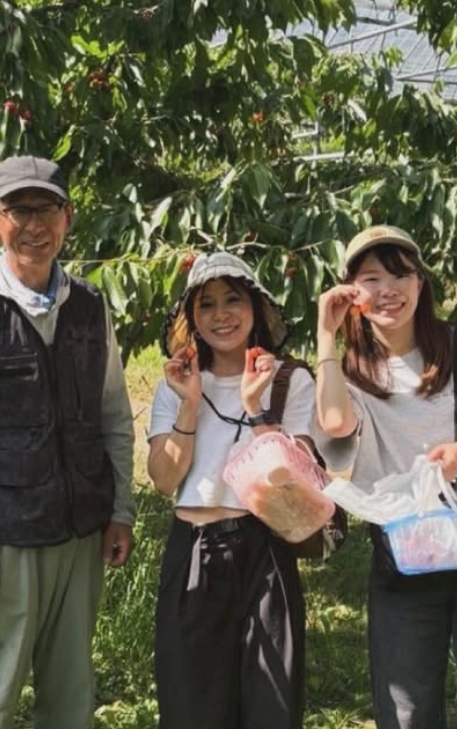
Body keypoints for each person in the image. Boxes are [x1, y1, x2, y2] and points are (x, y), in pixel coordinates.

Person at [0, 155, 136, 729]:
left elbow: (113, 414)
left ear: (68, 218)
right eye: (19, 210)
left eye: (46, 208)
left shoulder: (92, 307)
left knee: (71, 700)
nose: (34, 224)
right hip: (4, 538)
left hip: (80, 532)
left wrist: (120, 510)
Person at [313, 226, 457, 729]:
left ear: (421, 283)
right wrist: (326, 336)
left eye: (400, 274)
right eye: (371, 278)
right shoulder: (349, 372)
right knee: (406, 707)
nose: (387, 289)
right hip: (406, 550)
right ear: (351, 293)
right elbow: (333, 425)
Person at [147, 251, 317, 729]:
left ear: (256, 309)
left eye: (233, 300)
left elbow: (297, 489)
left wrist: (256, 407)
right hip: (193, 550)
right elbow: (164, 479)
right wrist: (189, 405)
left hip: (263, 548)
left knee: (271, 705)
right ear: (192, 318)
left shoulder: (288, 380)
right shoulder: (178, 383)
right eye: (206, 305)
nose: (221, 315)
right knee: (190, 705)